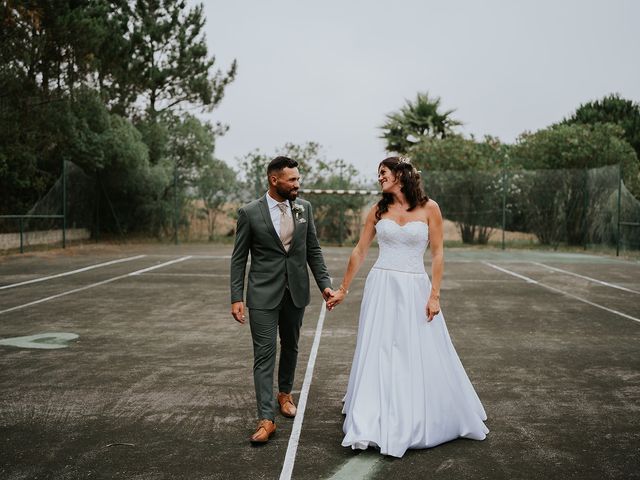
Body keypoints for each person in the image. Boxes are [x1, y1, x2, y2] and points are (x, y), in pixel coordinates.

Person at [327, 156, 489, 458]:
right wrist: (343, 289)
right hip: (381, 286)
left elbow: (438, 254)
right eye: (378, 174)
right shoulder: (378, 210)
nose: (380, 178)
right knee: (379, 348)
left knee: (414, 348)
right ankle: (373, 411)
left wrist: (435, 294)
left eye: (383, 173)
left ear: (401, 175)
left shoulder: (430, 208)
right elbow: (360, 250)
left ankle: (415, 411)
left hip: (415, 287)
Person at [230, 156, 334, 444]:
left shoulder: (305, 209)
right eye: (292, 180)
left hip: (296, 291)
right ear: (274, 180)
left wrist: (324, 284)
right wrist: (236, 297)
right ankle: (266, 419)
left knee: (291, 346)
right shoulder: (250, 212)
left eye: (298, 179)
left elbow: (313, 249)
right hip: (262, 294)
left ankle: (285, 394)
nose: (297, 184)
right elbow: (239, 259)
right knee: (264, 354)